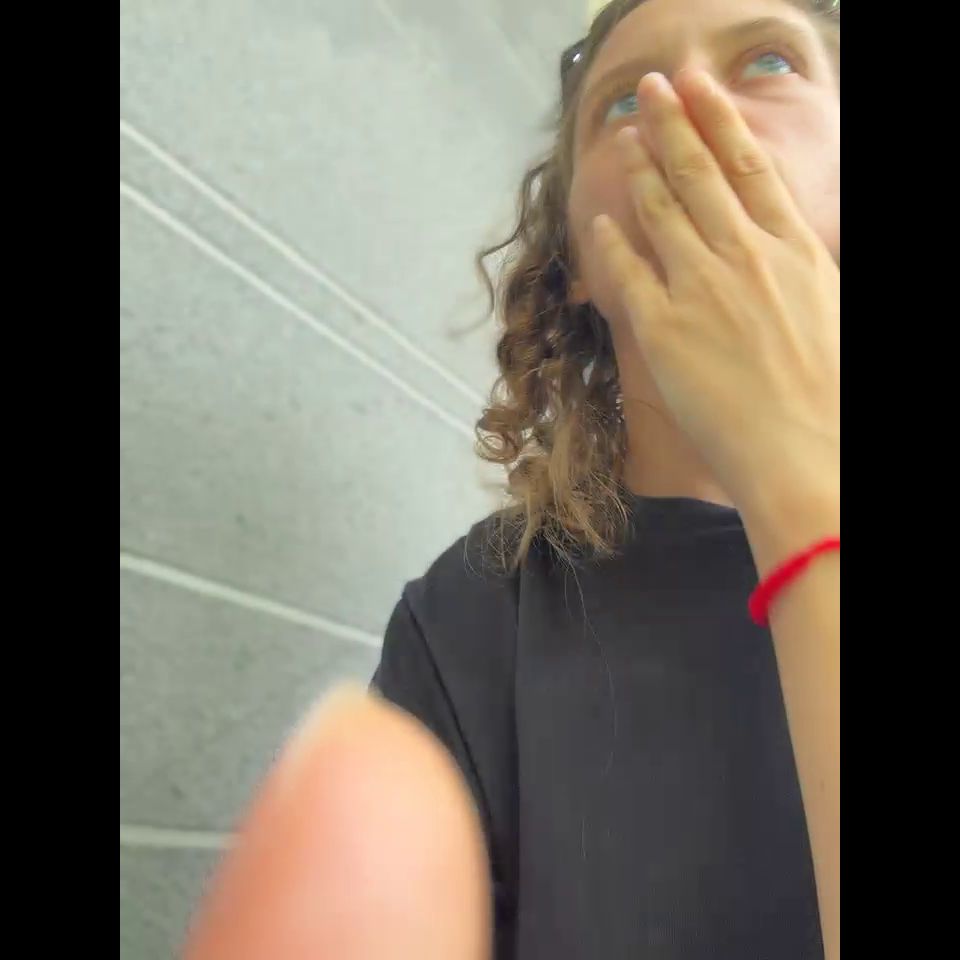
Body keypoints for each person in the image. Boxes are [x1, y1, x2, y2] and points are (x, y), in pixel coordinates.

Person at [183, 0, 840, 957]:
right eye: (624, 102)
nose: (685, 100)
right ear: (574, 263)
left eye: (768, 61)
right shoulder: (477, 610)